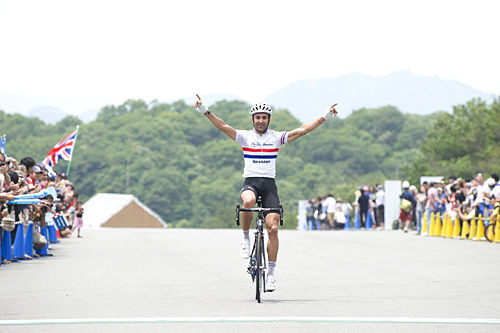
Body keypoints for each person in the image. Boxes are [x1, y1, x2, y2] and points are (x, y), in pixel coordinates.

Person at [195, 94, 338, 291]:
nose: (260, 121)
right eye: (257, 117)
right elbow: (222, 126)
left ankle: (271, 274)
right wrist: (205, 110)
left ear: (268, 119)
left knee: (273, 228)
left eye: (264, 117)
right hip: (251, 183)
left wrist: (325, 116)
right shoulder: (246, 136)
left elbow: (303, 130)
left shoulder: (276, 138)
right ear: (252, 119)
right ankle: (245, 237)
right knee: (248, 201)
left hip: (270, 186)